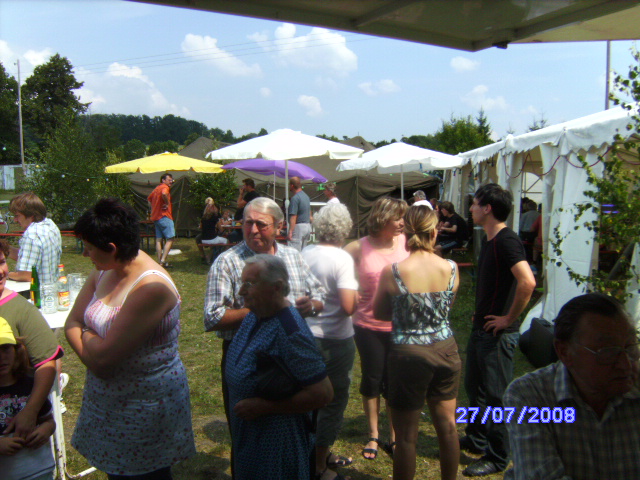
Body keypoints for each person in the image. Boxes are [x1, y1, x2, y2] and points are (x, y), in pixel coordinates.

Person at [66, 198, 196, 479]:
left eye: (89, 248)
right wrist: (94, 343)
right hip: (108, 401)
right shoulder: (105, 268)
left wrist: (86, 333)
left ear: (112, 248)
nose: (85, 254)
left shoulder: (151, 287)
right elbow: (70, 323)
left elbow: (103, 363)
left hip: (144, 408)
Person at [204, 196, 325, 437]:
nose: (253, 230)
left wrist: (311, 305)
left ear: (279, 227)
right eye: (248, 223)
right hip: (247, 357)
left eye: (261, 224)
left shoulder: (293, 256)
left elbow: (320, 295)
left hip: (293, 353)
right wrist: (264, 307)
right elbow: (212, 318)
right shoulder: (227, 262)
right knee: (249, 429)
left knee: (295, 425)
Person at [504, 293, 640, 480]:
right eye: (608, 352)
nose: (625, 364)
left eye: (631, 347)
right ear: (565, 352)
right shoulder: (530, 396)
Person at [373, 205, 461, 480]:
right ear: (434, 232)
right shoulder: (451, 268)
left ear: (406, 235)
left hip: (408, 354)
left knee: (406, 437)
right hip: (446, 349)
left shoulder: (394, 272)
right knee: (448, 428)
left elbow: (380, 313)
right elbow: (445, 309)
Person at [227, 255, 333, 479]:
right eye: (242, 283)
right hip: (251, 437)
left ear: (276, 287)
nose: (241, 292)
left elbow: (323, 393)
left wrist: (265, 407)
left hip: (276, 444)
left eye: (249, 284)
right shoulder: (255, 315)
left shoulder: (290, 331)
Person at [460, 183, 536, 477]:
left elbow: (527, 282)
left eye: (475, 203)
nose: (471, 208)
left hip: (498, 335)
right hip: (481, 329)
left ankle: (497, 456)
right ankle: (476, 439)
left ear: (487, 208)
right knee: (475, 389)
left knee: (496, 397)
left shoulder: (507, 241)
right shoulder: (490, 239)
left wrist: (507, 319)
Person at [344, 197, 409, 460]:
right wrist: (351, 289)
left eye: (403, 217)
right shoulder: (359, 247)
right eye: (397, 217)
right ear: (382, 219)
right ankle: (373, 434)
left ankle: (393, 435)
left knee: (395, 381)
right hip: (367, 325)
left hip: (400, 325)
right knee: (372, 379)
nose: (402, 223)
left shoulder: (406, 243)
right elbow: (336, 266)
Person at [302, 204, 358, 480]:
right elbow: (348, 306)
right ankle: (319, 464)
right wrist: (360, 296)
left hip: (306, 335)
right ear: (344, 229)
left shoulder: (305, 252)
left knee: (308, 399)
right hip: (334, 339)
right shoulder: (341, 258)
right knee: (332, 402)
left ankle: (310, 453)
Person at [0, 239, 62, 442]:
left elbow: (47, 362)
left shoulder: (21, 309)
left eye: (2, 262)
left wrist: (31, 410)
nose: (1, 271)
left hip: (18, 425)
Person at [0, 317, 56, 480]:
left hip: (40, 470)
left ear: (16, 350)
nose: (1, 357)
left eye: (6, 348)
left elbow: (49, 421)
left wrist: (45, 430)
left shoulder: (31, 385)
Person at [7, 192, 62, 284]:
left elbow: (26, 276)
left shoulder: (32, 235)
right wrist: (4, 248)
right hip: (52, 287)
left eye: (17, 216)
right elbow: (31, 256)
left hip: (36, 290)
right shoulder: (50, 225)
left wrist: (6, 274)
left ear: (31, 215)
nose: (15, 220)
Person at [147, 173, 175, 268]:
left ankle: (159, 262)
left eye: (171, 180)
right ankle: (163, 260)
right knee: (170, 238)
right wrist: (167, 203)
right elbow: (164, 193)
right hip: (164, 216)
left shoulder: (156, 189)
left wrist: (153, 208)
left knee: (159, 239)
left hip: (155, 217)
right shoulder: (164, 187)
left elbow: (149, 199)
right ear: (163, 180)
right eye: (169, 180)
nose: (171, 182)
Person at [195, 197, 227, 264]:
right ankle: (223, 258)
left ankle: (207, 257)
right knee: (227, 241)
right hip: (212, 238)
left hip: (204, 239)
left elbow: (200, 227)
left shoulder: (203, 218)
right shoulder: (215, 217)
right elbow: (221, 230)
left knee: (212, 244)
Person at [287, 176, 312, 251]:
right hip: (307, 226)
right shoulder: (306, 197)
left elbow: (293, 216)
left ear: (292, 185)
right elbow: (309, 212)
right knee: (303, 251)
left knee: (294, 251)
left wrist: (290, 231)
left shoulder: (295, 198)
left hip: (299, 227)